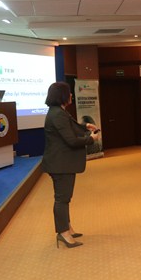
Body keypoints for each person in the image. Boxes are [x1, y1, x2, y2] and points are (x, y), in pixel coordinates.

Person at [42, 81, 100, 249]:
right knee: (62, 199)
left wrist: (85, 126)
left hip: (61, 162)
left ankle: (67, 227)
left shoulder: (58, 112)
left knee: (65, 197)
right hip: (60, 163)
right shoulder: (57, 114)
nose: (71, 95)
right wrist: (91, 139)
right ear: (62, 95)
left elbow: (70, 127)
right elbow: (72, 140)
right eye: (68, 92)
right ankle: (63, 232)